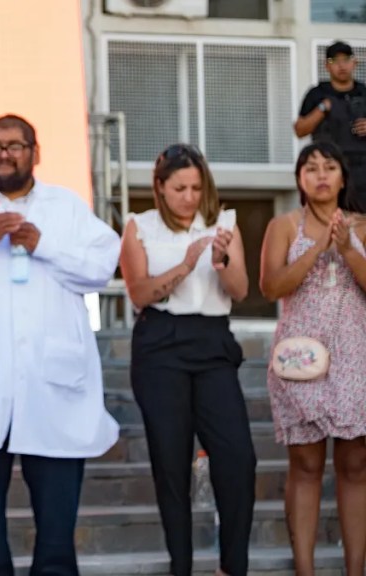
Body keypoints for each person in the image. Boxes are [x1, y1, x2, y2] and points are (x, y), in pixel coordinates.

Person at [0, 114, 120, 576]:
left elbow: (101, 265)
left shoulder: (66, 206)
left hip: (52, 381)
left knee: (57, 521)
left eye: (15, 145)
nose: (4, 153)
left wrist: (45, 244)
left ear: (35, 153)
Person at [119, 143, 256, 576]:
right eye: (180, 187)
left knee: (238, 457)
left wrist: (220, 261)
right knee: (171, 461)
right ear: (160, 187)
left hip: (213, 343)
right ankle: (182, 566)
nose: (190, 196)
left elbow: (240, 291)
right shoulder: (138, 226)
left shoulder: (224, 223)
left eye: (197, 187)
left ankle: (232, 566)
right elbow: (139, 293)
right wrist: (185, 264)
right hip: (160, 343)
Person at [260, 141, 366, 576]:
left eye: (330, 166)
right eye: (311, 168)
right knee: (305, 463)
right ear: (299, 180)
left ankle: (354, 570)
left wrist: (346, 249)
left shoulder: (362, 224)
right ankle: (305, 571)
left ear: (343, 176)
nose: (321, 174)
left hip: (355, 353)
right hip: (300, 357)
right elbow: (271, 287)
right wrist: (317, 246)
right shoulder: (284, 225)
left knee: (356, 462)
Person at [295, 41, 366, 205]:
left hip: (362, 169)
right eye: (335, 61)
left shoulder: (363, 92)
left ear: (354, 63)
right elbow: (300, 130)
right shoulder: (317, 94)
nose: (341, 66)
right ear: (327, 66)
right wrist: (322, 108)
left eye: (346, 60)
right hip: (327, 168)